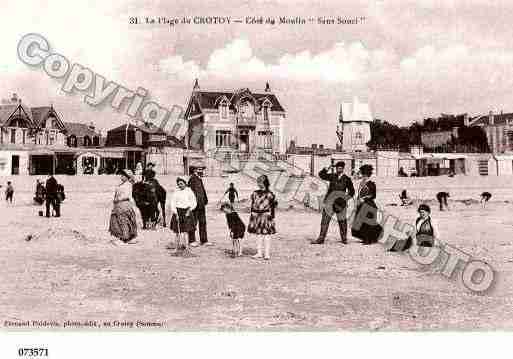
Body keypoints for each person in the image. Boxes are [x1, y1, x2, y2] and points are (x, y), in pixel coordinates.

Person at [312, 161, 355, 244]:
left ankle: (344, 239)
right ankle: (321, 239)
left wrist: (345, 199)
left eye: (340, 168)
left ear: (343, 169)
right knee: (324, 221)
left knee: (342, 221)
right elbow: (321, 175)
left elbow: (352, 192)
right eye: (337, 168)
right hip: (329, 202)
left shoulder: (347, 179)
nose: (338, 169)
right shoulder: (332, 176)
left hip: (340, 204)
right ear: (335, 168)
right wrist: (327, 168)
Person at [248, 174, 278, 260]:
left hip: (266, 216)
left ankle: (267, 254)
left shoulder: (270, 194)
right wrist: (252, 214)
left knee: (267, 235)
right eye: (258, 182)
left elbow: (273, 206)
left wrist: (272, 216)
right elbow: (252, 204)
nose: (259, 183)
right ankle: (259, 253)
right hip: (256, 215)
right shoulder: (254, 193)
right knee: (258, 235)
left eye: (260, 182)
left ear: (265, 182)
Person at [351, 164, 382, 245]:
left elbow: (373, 195)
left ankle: (368, 239)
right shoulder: (361, 183)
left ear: (367, 175)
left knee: (367, 223)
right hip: (361, 205)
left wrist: (364, 198)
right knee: (361, 223)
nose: (363, 176)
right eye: (363, 174)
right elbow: (359, 194)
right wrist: (357, 202)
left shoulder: (371, 184)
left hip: (369, 205)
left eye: (364, 175)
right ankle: (365, 238)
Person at [109, 169, 138, 244]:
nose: (121, 176)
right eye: (121, 175)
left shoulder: (128, 185)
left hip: (124, 205)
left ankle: (126, 237)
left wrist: (118, 199)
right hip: (118, 205)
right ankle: (121, 236)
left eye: (123, 175)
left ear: (127, 177)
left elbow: (127, 196)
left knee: (124, 220)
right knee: (116, 220)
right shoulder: (120, 185)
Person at [169, 177, 197, 252]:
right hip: (178, 212)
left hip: (187, 211)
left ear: (185, 183)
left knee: (186, 231)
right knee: (177, 232)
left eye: (181, 184)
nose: (180, 185)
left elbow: (194, 202)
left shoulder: (189, 191)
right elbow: (172, 203)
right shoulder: (176, 191)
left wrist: (189, 210)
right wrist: (175, 213)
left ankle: (186, 247)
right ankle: (176, 247)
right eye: (178, 184)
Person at [188, 167, 211, 246]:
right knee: (193, 223)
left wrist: (205, 200)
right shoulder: (192, 179)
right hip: (195, 205)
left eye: (201, 169)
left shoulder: (199, 179)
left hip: (201, 205)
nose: (201, 171)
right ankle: (191, 241)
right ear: (195, 170)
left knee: (203, 222)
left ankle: (204, 240)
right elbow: (191, 193)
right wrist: (193, 204)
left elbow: (202, 192)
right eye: (199, 169)